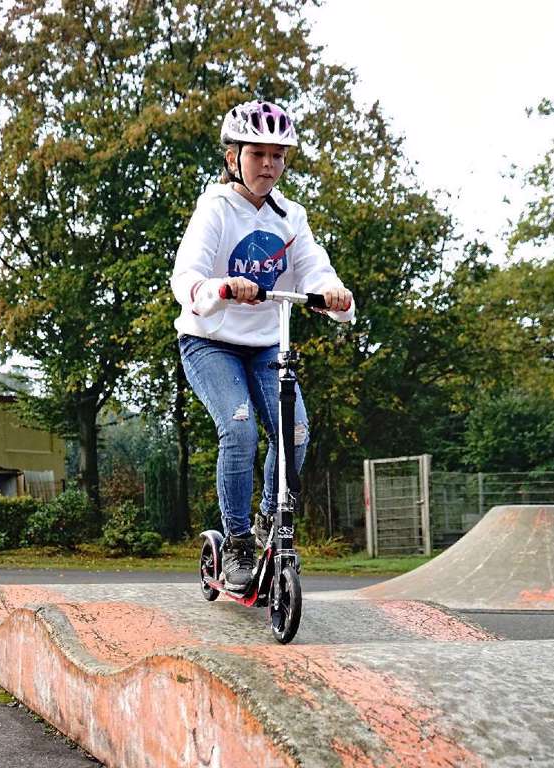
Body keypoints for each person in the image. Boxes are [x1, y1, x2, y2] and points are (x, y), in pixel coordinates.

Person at [171, 100, 355, 589]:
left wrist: (334, 294)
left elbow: (316, 268)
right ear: (233, 157)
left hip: (267, 345)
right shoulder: (214, 209)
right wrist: (218, 288)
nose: (269, 165)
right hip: (209, 342)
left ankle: (269, 519)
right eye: (258, 154)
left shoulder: (291, 217)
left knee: (295, 433)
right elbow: (186, 274)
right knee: (240, 430)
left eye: (278, 156)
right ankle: (236, 543)